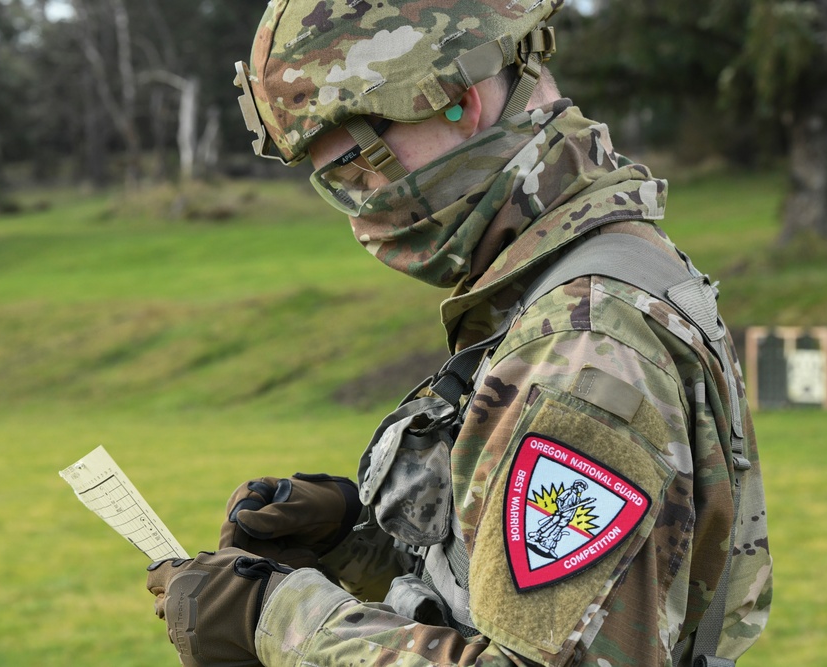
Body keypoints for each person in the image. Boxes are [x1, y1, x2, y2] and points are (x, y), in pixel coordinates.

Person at [145, 2, 772, 666]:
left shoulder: (584, 345)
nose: (366, 208)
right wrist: (349, 541)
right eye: (342, 187)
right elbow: (540, 607)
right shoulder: (591, 272)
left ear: (455, 100)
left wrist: (277, 619)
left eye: (363, 168)